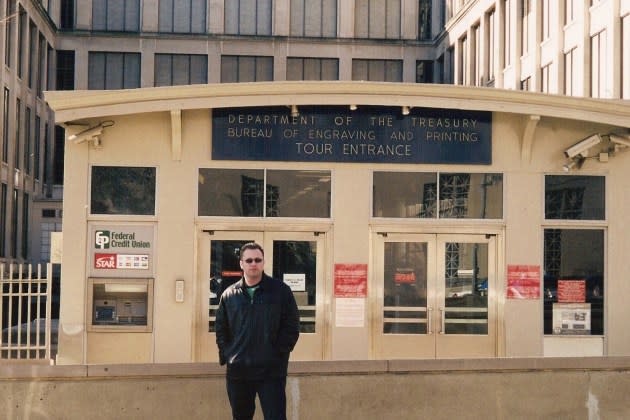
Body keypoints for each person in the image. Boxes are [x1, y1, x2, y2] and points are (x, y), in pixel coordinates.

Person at [215, 242, 300, 420]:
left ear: (263, 262)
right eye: (249, 260)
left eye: (257, 260)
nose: (253, 263)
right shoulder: (229, 295)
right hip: (239, 371)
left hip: (271, 371)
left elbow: (291, 326)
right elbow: (221, 329)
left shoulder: (280, 291)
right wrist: (228, 355)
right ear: (241, 264)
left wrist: (279, 354)